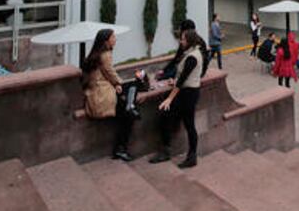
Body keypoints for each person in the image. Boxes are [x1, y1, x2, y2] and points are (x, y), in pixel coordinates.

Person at [151, 29, 206, 168]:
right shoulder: (191, 53)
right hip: (188, 92)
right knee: (183, 122)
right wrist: (172, 80)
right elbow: (181, 77)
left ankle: (182, 154)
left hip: (188, 94)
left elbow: (182, 80)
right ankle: (185, 155)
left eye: (183, 39)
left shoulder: (193, 57)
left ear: (189, 41)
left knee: (185, 123)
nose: (180, 41)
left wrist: (169, 98)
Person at [81, 29, 138, 161]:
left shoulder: (95, 54)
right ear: (106, 41)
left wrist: (117, 85)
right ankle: (120, 149)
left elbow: (105, 75)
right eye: (113, 37)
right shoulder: (105, 55)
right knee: (128, 114)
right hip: (101, 98)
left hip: (95, 94)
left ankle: (120, 148)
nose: (115, 39)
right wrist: (120, 84)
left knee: (127, 112)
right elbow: (112, 74)